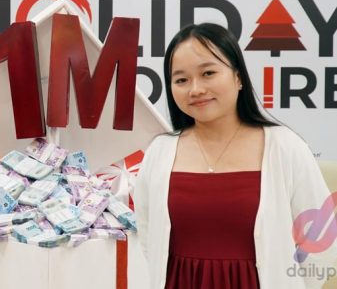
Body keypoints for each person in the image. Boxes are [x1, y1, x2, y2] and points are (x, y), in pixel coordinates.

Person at [134, 23, 337, 288]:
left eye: (208, 73)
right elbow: (145, 237)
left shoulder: (284, 147)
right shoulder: (159, 152)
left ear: (238, 77)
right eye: (181, 80)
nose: (195, 89)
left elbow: (323, 239)